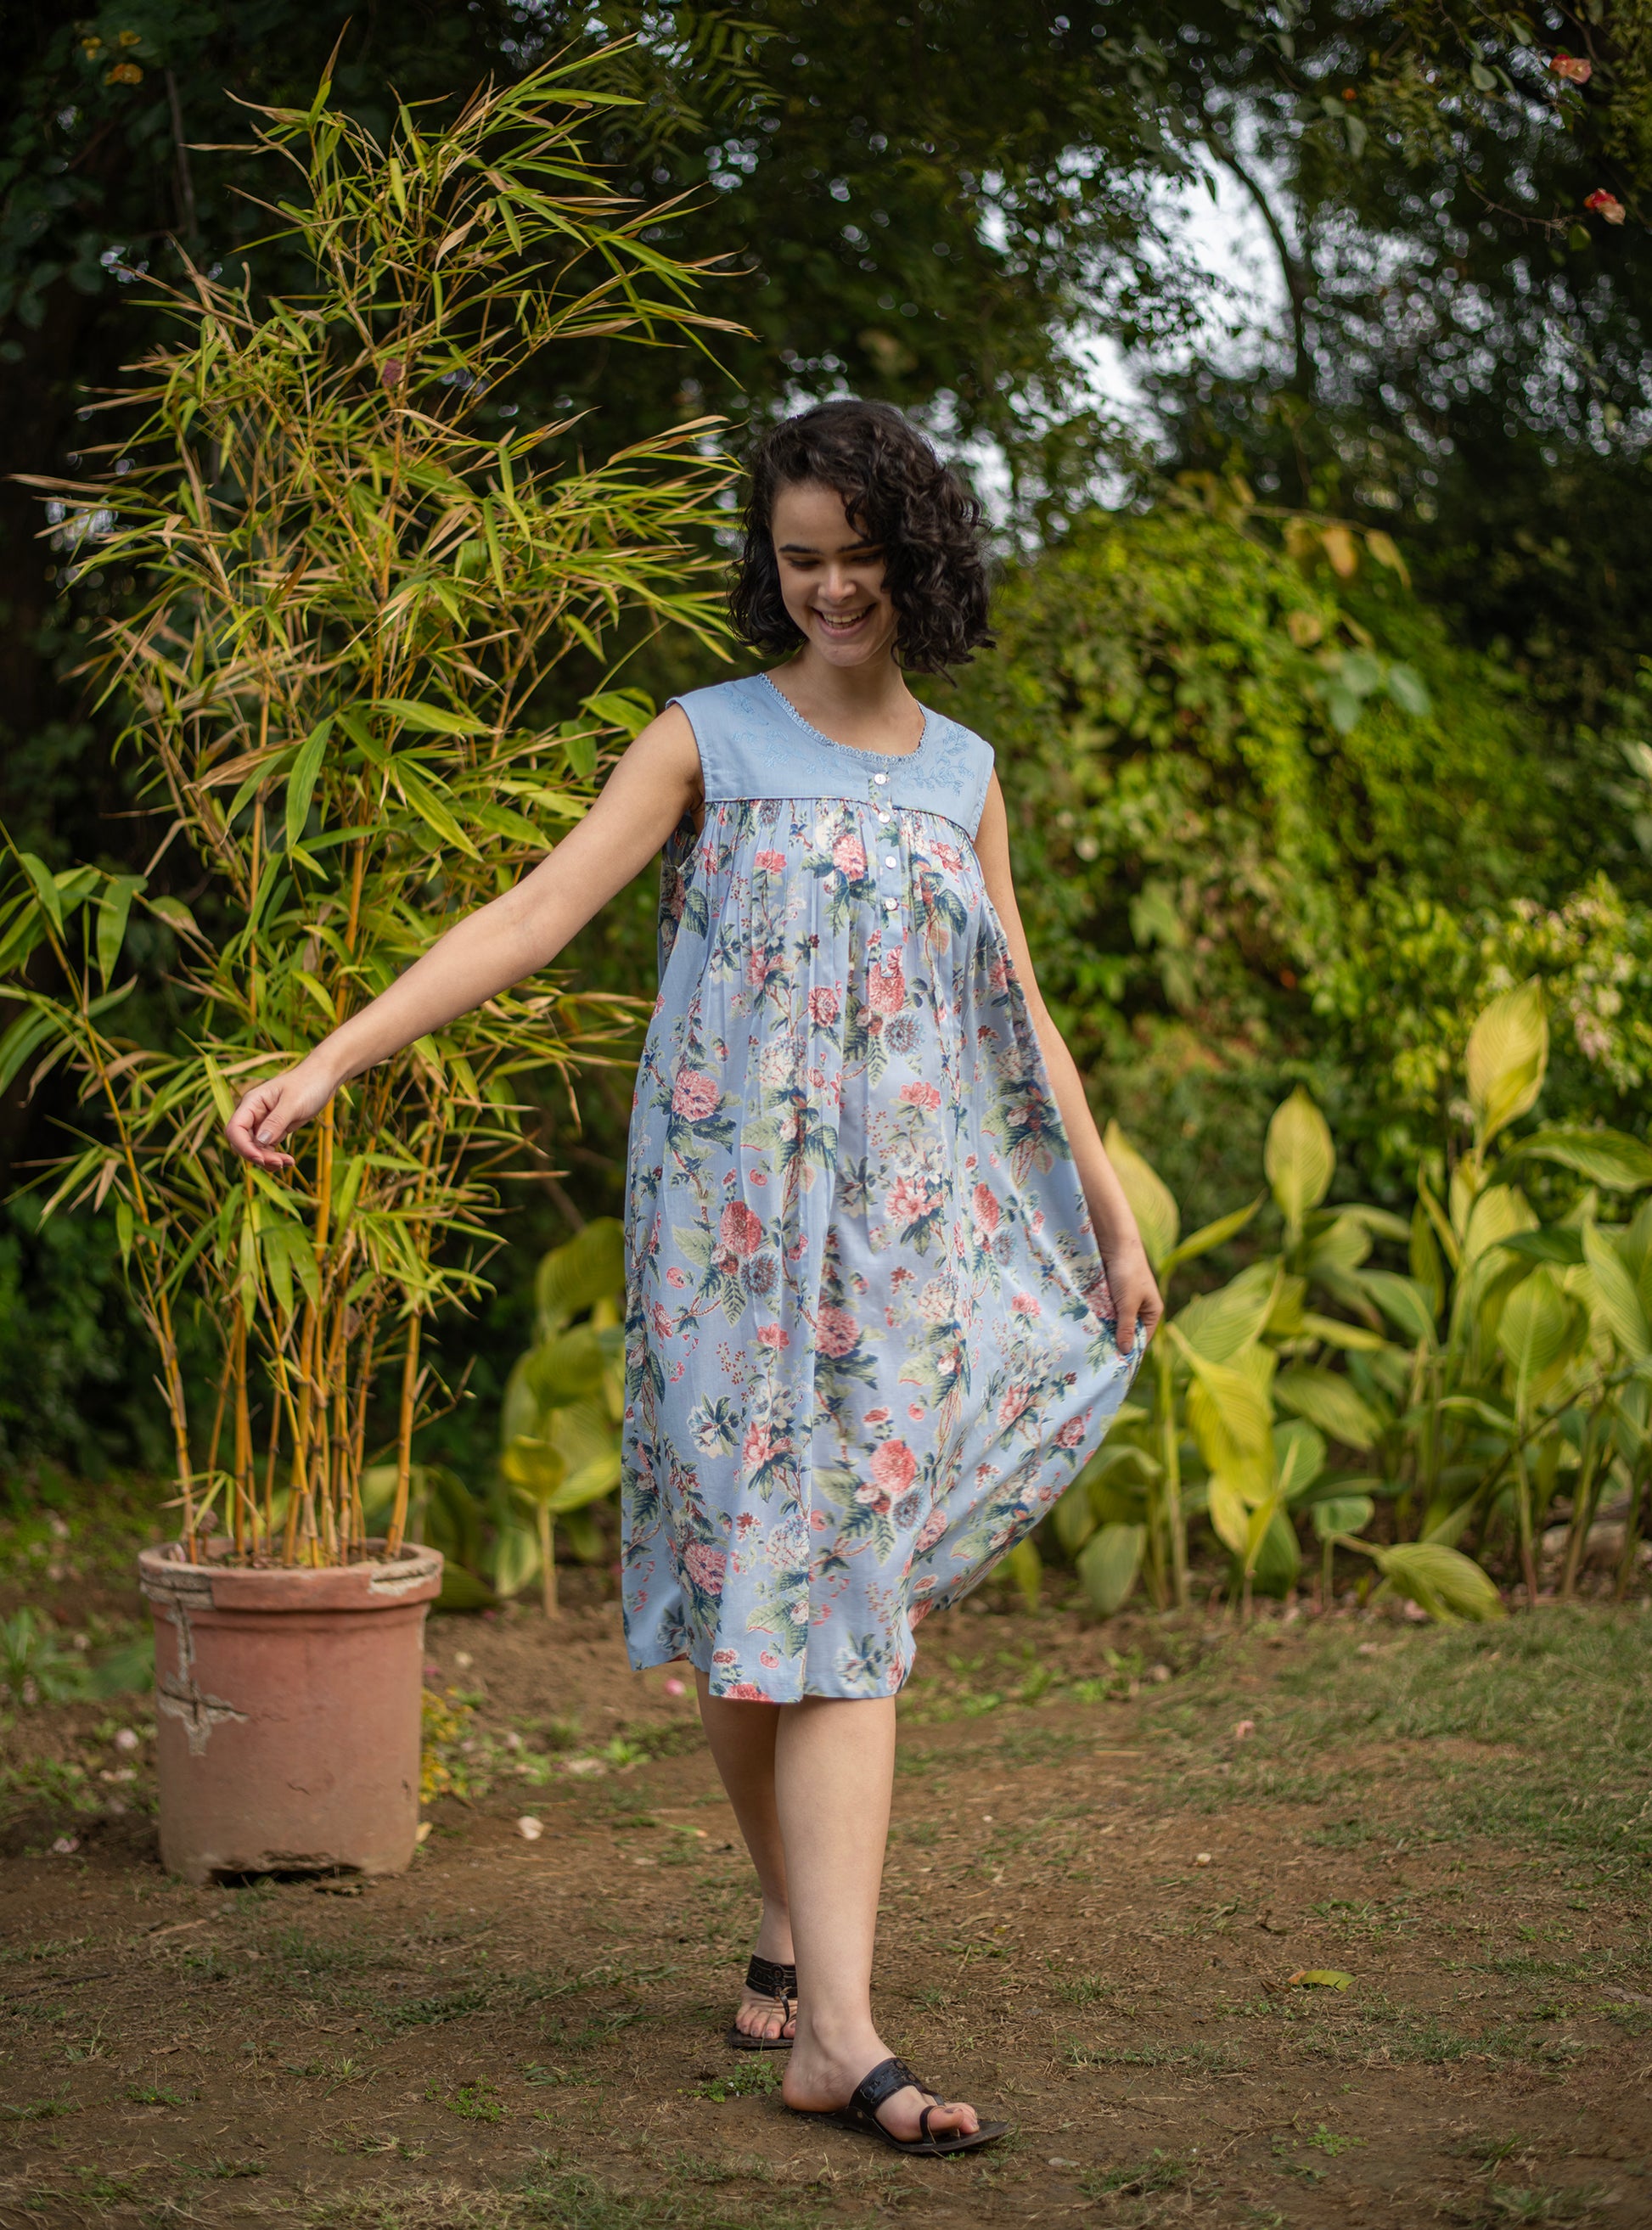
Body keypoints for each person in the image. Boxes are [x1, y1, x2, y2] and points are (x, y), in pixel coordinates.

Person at [226, 398, 1162, 2156]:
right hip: (722, 1237)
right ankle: (798, 1914)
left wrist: (1107, 1216)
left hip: (894, 1245)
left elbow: (1016, 1013)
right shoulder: (702, 739)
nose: (828, 589)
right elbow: (532, 916)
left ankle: (839, 2032)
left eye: (856, 558)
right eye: (799, 560)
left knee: (848, 1597)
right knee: (748, 1603)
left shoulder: (963, 775)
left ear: (915, 558)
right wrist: (334, 1059)